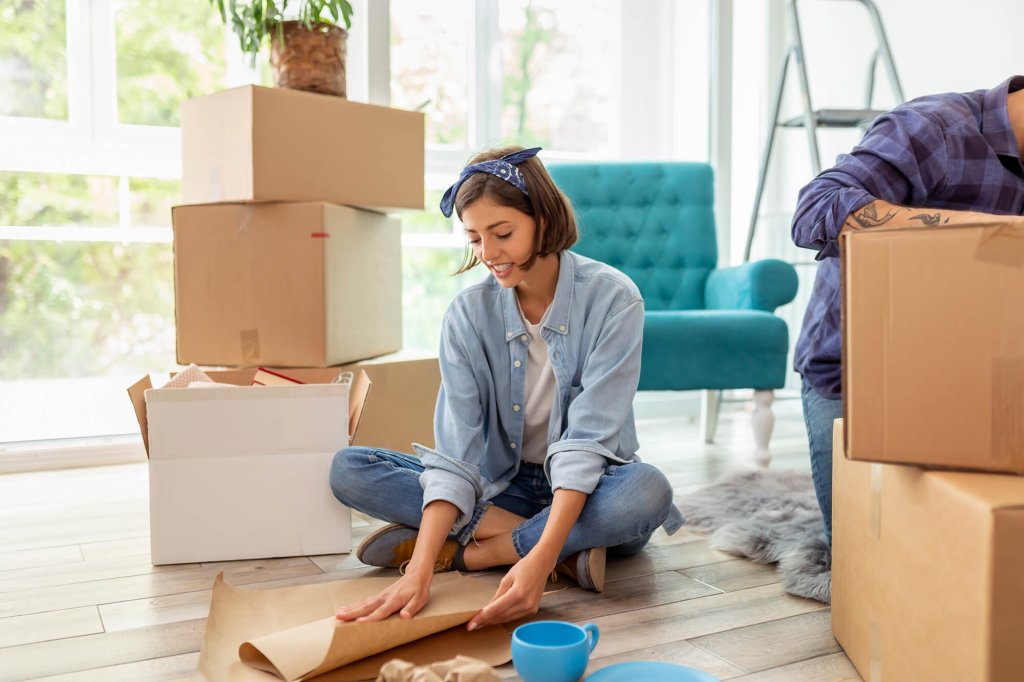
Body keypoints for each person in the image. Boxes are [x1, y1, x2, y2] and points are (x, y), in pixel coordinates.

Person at [329, 146, 684, 630]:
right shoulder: (467, 315)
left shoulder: (614, 299)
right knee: (349, 469)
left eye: (502, 234)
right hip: (503, 486)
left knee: (646, 493)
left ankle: (479, 553)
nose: (488, 254)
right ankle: (565, 554)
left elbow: (588, 442)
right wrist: (417, 573)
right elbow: (458, 452)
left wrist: (520, 564)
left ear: (542, 218)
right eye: (474, 238)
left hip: (593, 488)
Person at [792, 76, 1024, 546]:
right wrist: (987, 235)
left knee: (982, 551)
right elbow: (815, 207)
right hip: (856, 375)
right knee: (877, 559)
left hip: (979, 377)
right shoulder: (934, 127)